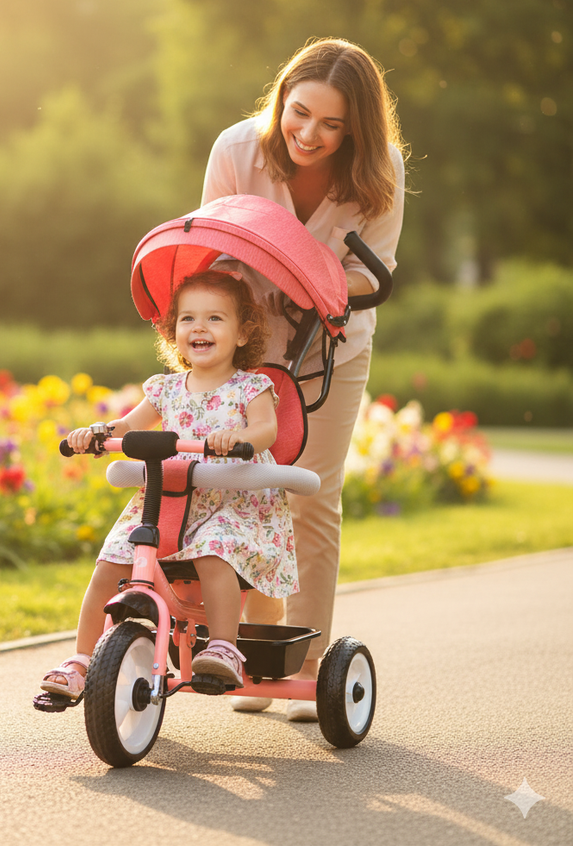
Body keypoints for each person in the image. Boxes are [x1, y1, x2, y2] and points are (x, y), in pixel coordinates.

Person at [201, 37, 406, 720]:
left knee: (312, 495)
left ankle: (307, 665)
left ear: (358, 129)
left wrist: (315, 285)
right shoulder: (237, 150)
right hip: (250, 351)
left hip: (331, 352)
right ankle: (252, 651)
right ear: (282, 97)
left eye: (332, 124)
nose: (309, 134)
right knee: (245, 492)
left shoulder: (381, 173)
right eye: (300, 112)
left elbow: (371, 267)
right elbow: (215, 247)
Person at [37, 269, 297, 698]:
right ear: (173, 332)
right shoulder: (165, 389)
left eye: (215, 318)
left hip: (231, 502)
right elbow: (126, 426)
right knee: (110, 564)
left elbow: (266, 431)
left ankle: (224, 647)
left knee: (215, 552)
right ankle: (82, 659)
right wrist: (98, 433)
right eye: (188, 319)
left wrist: (238, 439)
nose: (199, 327)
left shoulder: (252, 387)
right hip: (168, 499)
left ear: (241, 332)